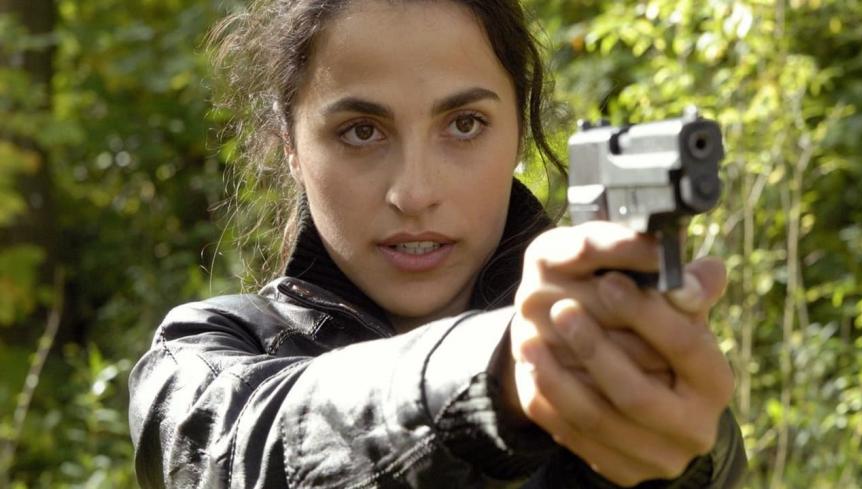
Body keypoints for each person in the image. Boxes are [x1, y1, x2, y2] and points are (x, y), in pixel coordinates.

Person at [128, 0, 747, 487]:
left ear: (519, 132)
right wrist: (501, 374)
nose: (415, 193)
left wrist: (685, 447)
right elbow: (241, 452)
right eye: (361, 131)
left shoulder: (615, 353)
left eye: (464, 124)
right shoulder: (201, 354)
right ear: (291, 146)